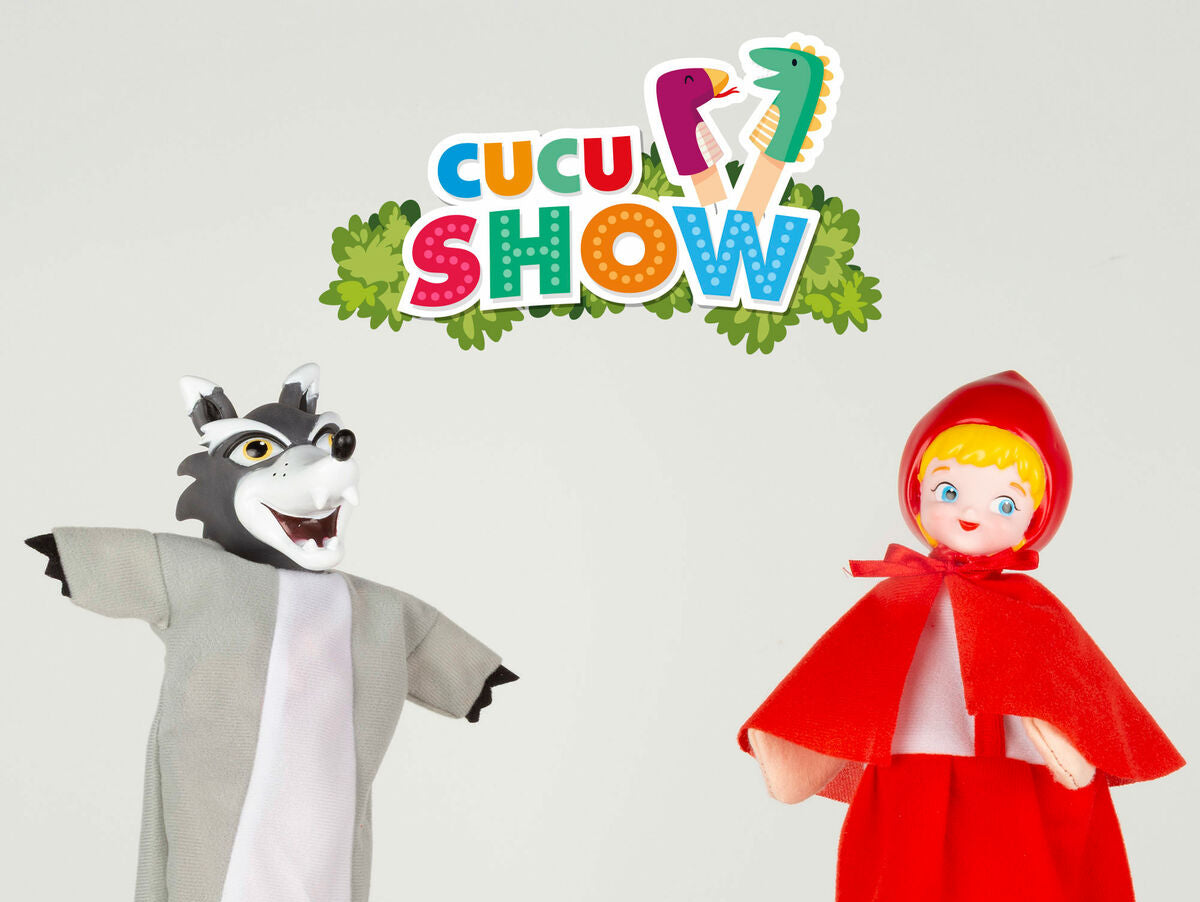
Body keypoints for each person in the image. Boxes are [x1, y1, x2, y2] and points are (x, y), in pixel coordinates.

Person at [739, 370, 1184, 902]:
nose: (971, 514)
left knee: (1013, 877)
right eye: (949, 491)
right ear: (917, 494)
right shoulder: (899, 597)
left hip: (1014, 777)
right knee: (903, 877)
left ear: (1033, 520)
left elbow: (1067, 681)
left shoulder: (1029, 609)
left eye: (1004, 504)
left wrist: (1064, 736)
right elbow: (849, 674)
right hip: (910, 771)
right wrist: (806, 741)